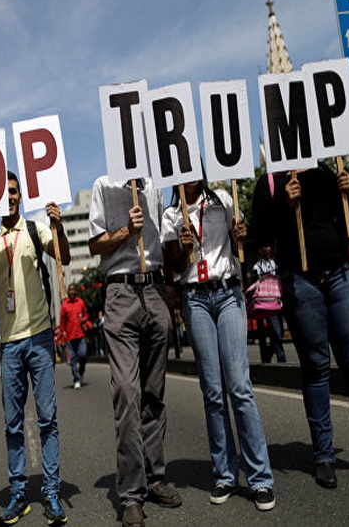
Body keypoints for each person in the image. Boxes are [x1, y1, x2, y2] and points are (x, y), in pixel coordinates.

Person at [251, 162, 349, 488]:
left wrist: (347, 193)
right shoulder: (272, 182)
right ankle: (323, 456)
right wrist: (284, 204)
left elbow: (347, 221)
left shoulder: (326, 171)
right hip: (300, 281)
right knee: (317, 367)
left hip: (339, 275)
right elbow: (259, 237)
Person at [163, 180, 275, 512]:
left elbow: (245, 243)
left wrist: (243, 233)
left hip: (228, 294)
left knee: (239, 387)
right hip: (195, 299)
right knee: (212, 391)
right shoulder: (171, 215)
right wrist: (183, 247)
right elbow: (177, 266)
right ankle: (224, 474)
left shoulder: (223, 200)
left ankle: (260, 478)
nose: (188, 179)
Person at [0, 171, 70, 525]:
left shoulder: (36, 229)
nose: (9, 197)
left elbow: (65, 257)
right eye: (3, 193)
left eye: (13, 192)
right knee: (13, 424)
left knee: (47, 419)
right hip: (9, 343)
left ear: (20, 196)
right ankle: (18, 493)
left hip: (40, 335)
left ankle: (51, 491)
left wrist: (58, 227)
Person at [88, 176, 181, 527]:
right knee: (128, 394)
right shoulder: (103, 185)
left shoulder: (155, 185)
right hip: (121, 292)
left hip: (156, 292)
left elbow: (162, 245)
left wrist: (169, 291)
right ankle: (131, 494)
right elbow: (95, 243)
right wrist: (127, 230)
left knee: (153, 394)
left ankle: (155, 478)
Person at [252, 246, 287, 363]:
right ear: (260, 251)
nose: (268, 249)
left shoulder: (274, 264)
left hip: (277, 299)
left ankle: (268, 353)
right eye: (265, 247)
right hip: (267, 302)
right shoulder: (257, 267)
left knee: (280, 331)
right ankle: (281, 356)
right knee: (276, 329)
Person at [60, 283, 89, 388]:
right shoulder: (64, 306)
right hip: (70, 337)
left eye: (73, 289)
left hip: (80, 335)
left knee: (83, 355)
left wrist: (84, 319)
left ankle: (81, 372)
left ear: (75, 291)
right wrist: (62, 338)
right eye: (70, 290)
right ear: (68, 291)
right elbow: (62, 323)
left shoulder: (81, 302)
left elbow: (86, 314)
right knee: (72, 359)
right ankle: (76, 379)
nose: (72, 291)